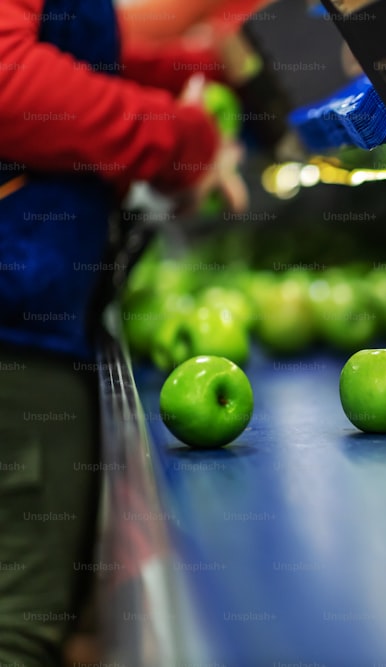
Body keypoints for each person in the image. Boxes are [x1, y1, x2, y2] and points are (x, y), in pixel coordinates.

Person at [0, 0, 247, 664]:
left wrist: (208, 68)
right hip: (15, 328)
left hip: (34, 318)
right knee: (16, 625)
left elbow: (72, 42)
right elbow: (6, 76)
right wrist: (182, 141)